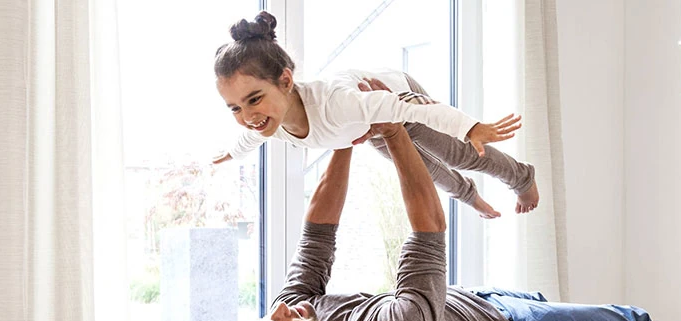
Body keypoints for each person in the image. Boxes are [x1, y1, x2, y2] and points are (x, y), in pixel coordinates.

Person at [216, 79, 681, 321]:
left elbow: (316, 234)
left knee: (580, 310)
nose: (282, 307)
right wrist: (388, 125)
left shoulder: (306, 318)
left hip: (478, 303)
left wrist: (344, 135)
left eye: (272, 314)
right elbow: (428, 229)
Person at [212, 11, 538, 218]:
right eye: (235, 108)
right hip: (372, 129)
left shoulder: (339, 104)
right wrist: (229, 154)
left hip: (392, 97)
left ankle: (521, 177)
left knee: (460, 155)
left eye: (253, 100)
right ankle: (470, 196)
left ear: (285, 81)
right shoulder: (268, 121)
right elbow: (247, 139)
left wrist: (470, 127)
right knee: (426, 170)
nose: (248, 115)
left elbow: (410, 106)